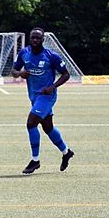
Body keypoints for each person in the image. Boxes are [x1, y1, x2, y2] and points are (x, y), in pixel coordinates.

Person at [12, 27, 75, 175]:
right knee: (48, 127)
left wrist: (53, 86)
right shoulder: (24, 53)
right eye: (32, 37)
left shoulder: (51, 56)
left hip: (47, 96)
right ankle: (66, 152)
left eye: (38, 38)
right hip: (34, 96)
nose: (35, 40)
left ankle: (35, 160)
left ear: (43, 40)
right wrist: (20, 73)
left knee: (31, 123)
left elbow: (66, 74)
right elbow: (14, 71)